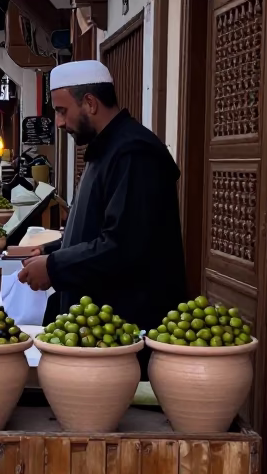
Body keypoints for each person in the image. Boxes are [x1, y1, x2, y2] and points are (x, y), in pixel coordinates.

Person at [18, 60, 186, 334]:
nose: (59, 123)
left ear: (90, 103)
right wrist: (52, 252)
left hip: (126, 329)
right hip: (98, 327)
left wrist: (54, 266)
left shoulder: (134, 153)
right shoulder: (107, 148)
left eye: (62, 111)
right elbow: (98, 227)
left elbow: (124, 245)